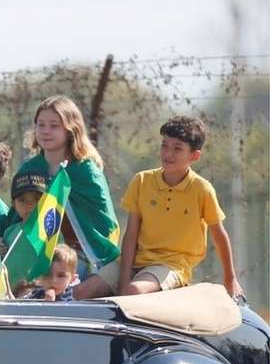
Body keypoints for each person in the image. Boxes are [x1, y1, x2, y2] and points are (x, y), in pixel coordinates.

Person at [74, 116, 244, 299]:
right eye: (165, 146)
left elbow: (219, 236)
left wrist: (230, 278)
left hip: (171, 265)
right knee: (81, 292)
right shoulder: (142, 180)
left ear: (194, 156)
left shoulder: (202, 189)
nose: (168, 154)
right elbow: (131, 234)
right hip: (136, 261)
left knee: (135, 291)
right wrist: (123, 279)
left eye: (177, 148)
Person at [8, 95, 120, 280]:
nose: (45, 131)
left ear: (70, 130)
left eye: (54, 126)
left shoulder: (85, 171)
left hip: (80, 255)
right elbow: (16, 216)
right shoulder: (30, 169)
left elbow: (103, 223)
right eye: (41, 125)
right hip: (35, 253)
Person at [1, 171, 48, 297]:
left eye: (37, 199)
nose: (29, 205)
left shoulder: (51, 232)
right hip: (10, 295)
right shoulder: (10, 232)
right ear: (13, 204)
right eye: (22, 200)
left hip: (37, 294)